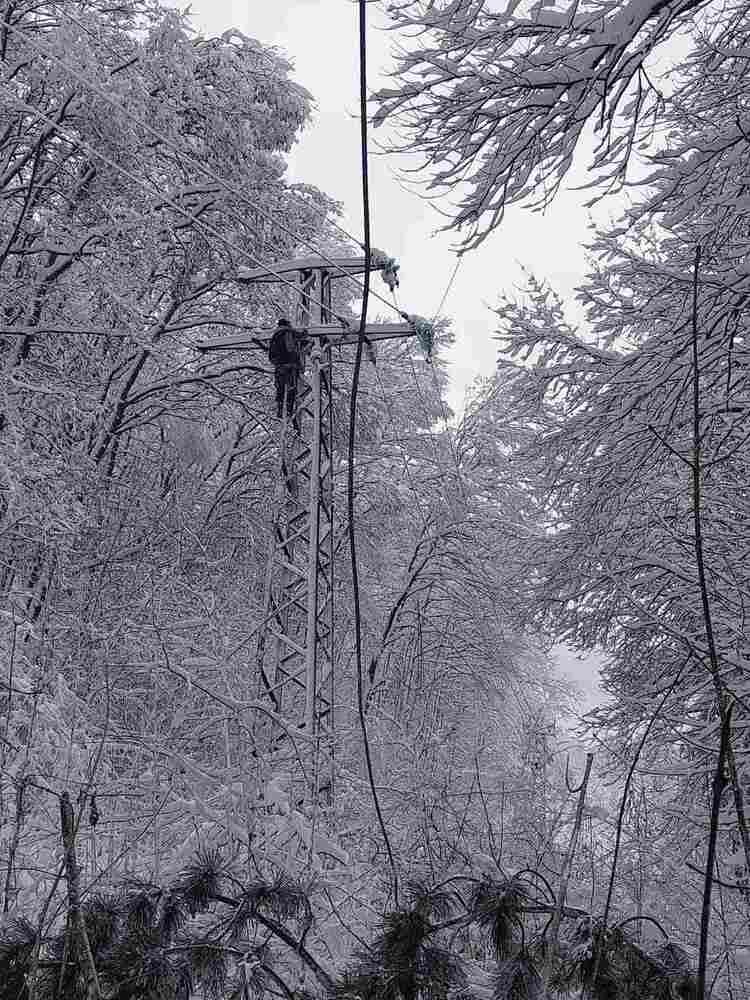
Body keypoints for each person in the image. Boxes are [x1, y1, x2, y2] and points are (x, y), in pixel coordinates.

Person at [268, 317, 305, 422]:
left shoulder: (274, 336)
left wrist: (278, 363)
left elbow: (270, 356)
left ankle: (280, 411)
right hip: (289, 366)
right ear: (287, 324)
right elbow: (291, 348)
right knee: (291, 389)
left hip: (279, 368)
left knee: (280, 389)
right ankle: (289, 411)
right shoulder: (289, 332)